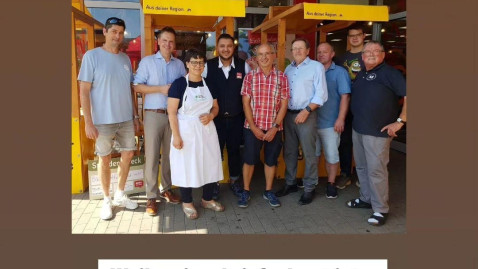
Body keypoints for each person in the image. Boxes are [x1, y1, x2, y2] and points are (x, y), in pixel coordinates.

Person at [78, 17, 140, 220]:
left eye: (121, 32)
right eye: (113, 31)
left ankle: (120, 194)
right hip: (103, 121)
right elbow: (84, 91)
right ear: (105, 32)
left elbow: (130, 90)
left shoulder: (124, 59)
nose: (117, 36)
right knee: (104, 158)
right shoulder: (91, 56)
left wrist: (135, 116)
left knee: (128, 154)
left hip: (126, 119)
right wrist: (88, 121)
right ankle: (106, 199)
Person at [346, 41, 406, 226]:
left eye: (375, 51)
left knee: (376, 171)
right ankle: (366, 198)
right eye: (367, 51)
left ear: (383, 55)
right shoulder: (362, 73)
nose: (371, 54)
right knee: (362, 168)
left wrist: (400, 122)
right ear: (362, 57)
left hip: (378, 133)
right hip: (359, 129)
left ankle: (380, 209)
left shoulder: (391, 73)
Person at [134, 27, 186, 216]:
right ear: (158, 41)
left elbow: (184, 88)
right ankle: (151, 196)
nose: (168, 44)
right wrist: (160, 89)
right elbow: (137, 87)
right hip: (153, 114)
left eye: (171, 41)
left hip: (174, 115)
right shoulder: (147, 62)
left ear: (174, 44)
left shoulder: (179, 64)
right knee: (152, 155)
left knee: (171, 154)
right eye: (164, 40)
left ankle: (167, 189)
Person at [168, 48, 225, 219]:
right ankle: (187, 202)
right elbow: (171, 111)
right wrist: (176, 136)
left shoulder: (210, 84)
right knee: (187, 165)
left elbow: (216, 107)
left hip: (207, 130)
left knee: (210, 163)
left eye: (201, 62)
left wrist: (212, 115)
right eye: (194, 62)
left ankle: (207, 199)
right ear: (187, 64)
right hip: (186, 130)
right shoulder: (179, 84)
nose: (197, 65)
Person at [276, 38, 327, 205]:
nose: (297, 51)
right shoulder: (288, 70)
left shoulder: (316, 67)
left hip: (307, 114)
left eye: (300, 48)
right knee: (289, 151)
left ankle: (309, 187)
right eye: (294, 48)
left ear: (308, 50)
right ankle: (290, 183)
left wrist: (307, 111)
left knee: (309, 152)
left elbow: (321, 94)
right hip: (289, 115)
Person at [239, 43, 290, 208]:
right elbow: (245, 103)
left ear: (274, 55)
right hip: (252, 127)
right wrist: (253, 127)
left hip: (274, 128)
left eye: (268, 53)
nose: (264, 57)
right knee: (249, 160)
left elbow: (284, 104)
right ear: (256, 58)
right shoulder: (250, 77)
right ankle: (246, 190)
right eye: (261, 54)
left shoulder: (282, 77)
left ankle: (268, 191)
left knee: (271, 161)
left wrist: (275, 127)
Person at [203, 33, 251, 198]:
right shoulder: (207, 66)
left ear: (233, 47)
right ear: (217, 48)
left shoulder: (243, 66)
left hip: (237, 118)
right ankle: (214, 184)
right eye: (222, 46)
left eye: (229, 46)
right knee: (214, 152)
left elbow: (250, 92)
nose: (225, 49)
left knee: (234, 151)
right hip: (214, 120)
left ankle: (235, 181)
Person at [316, 42, 351, 199]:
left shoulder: (340, 72)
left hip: (331, 123)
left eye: (325, 51)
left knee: (331, 155)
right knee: (314, 155)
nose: (321, 54)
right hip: (312, 122)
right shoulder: (314, 70)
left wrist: (340, 119)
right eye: (319, 52)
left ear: (332, 54)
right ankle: (312, 182)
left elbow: (345, 96)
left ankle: (331, 184)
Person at [334, 23, 366, 189]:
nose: (354, 38)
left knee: (363, 142)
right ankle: (345, 174)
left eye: (358, 35)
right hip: (345, 107)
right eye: (351, 35)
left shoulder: (370, 56)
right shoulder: (340, 59)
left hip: (365, 107)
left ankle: (363, 176)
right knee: (345, 141)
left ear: (363, 36)